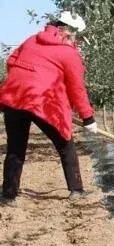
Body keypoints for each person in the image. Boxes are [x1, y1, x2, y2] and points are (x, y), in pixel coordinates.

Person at [0, 11, 98, 204]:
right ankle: (76, 191)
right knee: (65, 144)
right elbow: (77, 87)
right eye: (76, 35)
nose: (76, 40)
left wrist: (26, 79)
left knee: (15, 148)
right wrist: (88, 118)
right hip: (42, 103)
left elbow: (11, 62)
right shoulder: (68, 53)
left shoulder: (31, 40)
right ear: (69, 31)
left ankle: (8, 195)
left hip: (14, 97)